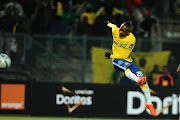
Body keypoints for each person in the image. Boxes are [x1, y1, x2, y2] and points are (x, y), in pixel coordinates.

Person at [104, 21, 156, 116]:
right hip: (116, 61)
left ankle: (149, 103)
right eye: (121, 29)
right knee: (127, 69)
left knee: (144, 81)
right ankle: (138, 80)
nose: (121, 32)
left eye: (123, 31)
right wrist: (107, 23)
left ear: (128, 32)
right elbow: (112, 26)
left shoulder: (131, 39)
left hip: (125, 59)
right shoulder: (115, 30)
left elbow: (124, 55)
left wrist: (110, 56)